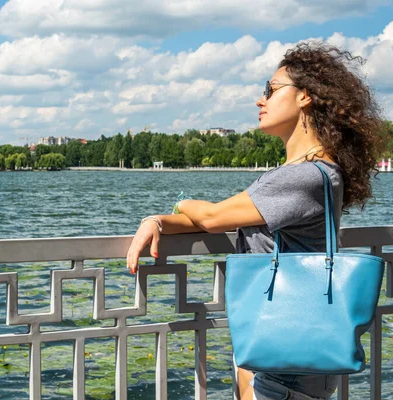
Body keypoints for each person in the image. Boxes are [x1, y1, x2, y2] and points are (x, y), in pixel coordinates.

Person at [126, 42, 384, 400]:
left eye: (271, 90)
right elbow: (222, 218)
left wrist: (178, 201)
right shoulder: (319, 172)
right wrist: (160, 222)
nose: (260, 100)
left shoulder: (303, 176)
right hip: (291, 349)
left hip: (284, 364)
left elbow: (214, 217)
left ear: (305, 97)